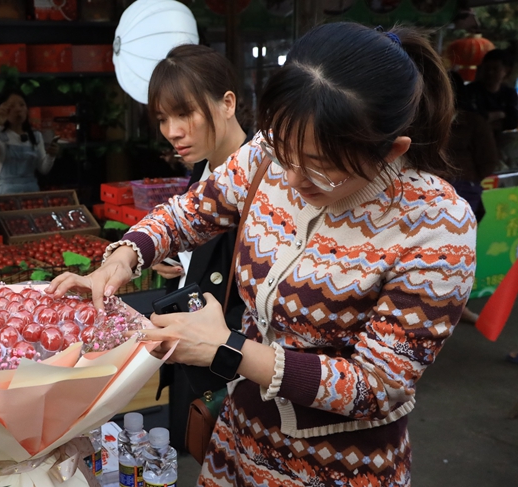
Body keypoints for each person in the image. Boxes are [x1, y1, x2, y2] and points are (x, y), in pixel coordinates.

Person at [49, 22, 476, 486]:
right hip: (239, 439)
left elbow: (378, 386)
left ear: (392, 151)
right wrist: (125, 256)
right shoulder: (266, 155)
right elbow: (188, 213)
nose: (291, 180)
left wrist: (230, 349)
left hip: (339, 468)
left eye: (321, 170)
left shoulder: (435, 227)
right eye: (284, 154)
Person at [143, 44, 251, 448]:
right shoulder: (202, 171)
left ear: (227, 103)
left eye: (185, 113)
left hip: (238, 370)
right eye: (163, 118)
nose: (172, 131)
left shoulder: (265, 181)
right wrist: (177, 256)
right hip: (194, 358)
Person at [448, 70, 499, 324]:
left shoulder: (473, 122)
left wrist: (466, 179)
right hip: (429, 189)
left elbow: (488, 160)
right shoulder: (422, 120)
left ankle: (458, 308)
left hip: (463, 190)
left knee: (458, 254)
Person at [0, 89, 59, 195]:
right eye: (12, 106)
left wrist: (51, 155)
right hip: (4, 195)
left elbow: (43, 169)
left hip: (30, 193)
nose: (18, 109)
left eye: (22, 105)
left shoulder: (36, 136)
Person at [459, 49, 518, 138]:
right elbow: (471, 118)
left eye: (495, 69)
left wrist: (486, 121)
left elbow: (513, 120)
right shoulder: (470, 91)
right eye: (487, 68)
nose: (490, 72)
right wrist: (500, 114)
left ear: (506, 71)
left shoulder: (509, 94)